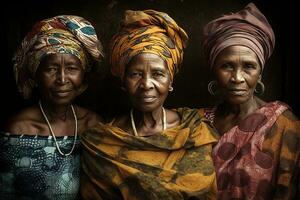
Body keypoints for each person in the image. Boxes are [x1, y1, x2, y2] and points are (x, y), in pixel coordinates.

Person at [80, 9, 218, 200]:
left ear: (170, 82)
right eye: (135, 74)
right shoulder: (103, 142)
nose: (146, 84)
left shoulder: (194, 130)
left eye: (158, 74)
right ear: (123, 81)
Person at [199, 3, 300, 199]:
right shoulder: (198, 122)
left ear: (260, 73)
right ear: (214, 70)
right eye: (227, 66)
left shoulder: (285, 125)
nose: (237, 77)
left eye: (248, 67)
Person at [0, 15, 104, 199]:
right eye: (51, 69)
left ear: (82, 76)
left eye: (72, 68)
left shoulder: (93, 126)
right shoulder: (18, 130)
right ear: (36, 76)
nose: (62, 79)